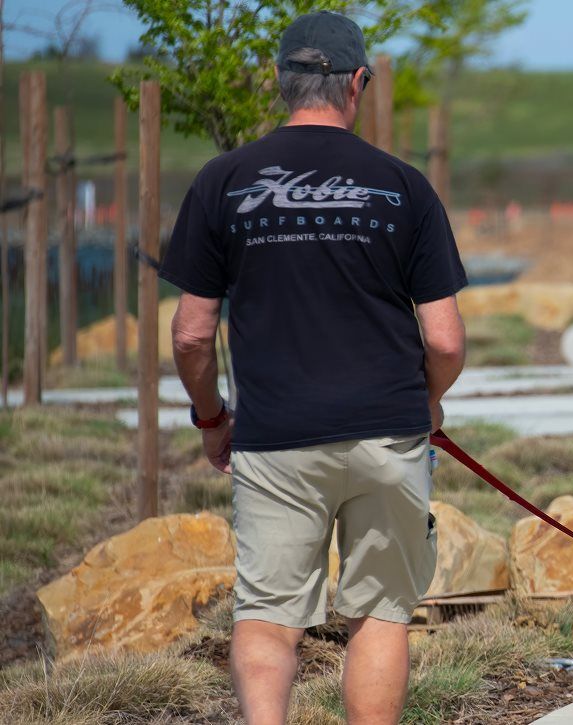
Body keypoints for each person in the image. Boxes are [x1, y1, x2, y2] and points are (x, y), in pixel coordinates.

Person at [161, 11, 467, 724]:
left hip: (274, 438)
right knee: (381, 614)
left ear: (277, 82)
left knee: (267, 615)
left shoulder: (222, 181)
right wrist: (426, 401)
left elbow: (190, 335)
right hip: (387, 436)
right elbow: (446, 339)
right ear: (357, 82)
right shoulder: (404, 186)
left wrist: (211, 419)